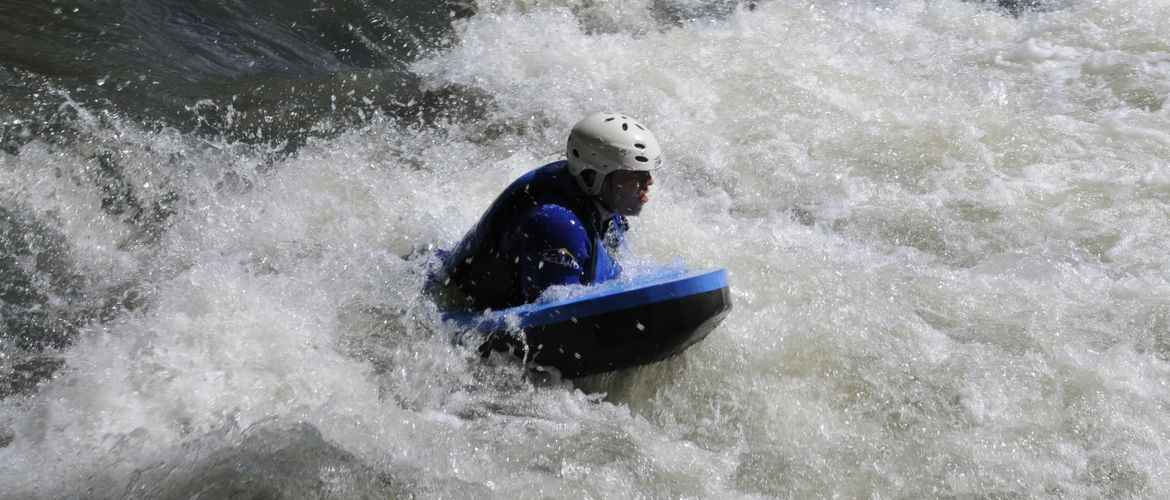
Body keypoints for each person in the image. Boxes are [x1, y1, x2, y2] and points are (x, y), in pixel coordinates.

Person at [440, 112, 661, 310]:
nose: (649, 181)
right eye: (635, 174)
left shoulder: (602, 201)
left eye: (648, 172)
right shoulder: (558, 225)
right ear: (593, 176)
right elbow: (559, 319)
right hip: (460, 306)